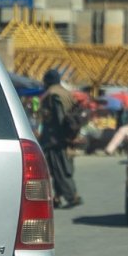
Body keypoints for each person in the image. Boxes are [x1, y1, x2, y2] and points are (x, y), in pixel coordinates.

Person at [38, 69, 82, 209]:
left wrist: (61, 135)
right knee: (57, 168)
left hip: (55, 139)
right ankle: (57, 198)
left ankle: (72, 196)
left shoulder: (53, 95)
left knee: (59, 169)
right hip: (65, 138)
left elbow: (59, 117)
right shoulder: (66, 92)